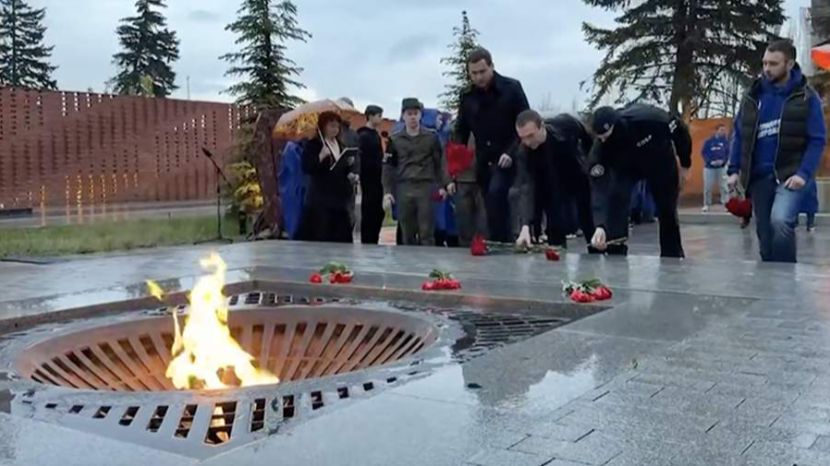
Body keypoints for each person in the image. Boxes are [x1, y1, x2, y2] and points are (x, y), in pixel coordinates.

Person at [727, 40, 826, 263]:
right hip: (759, 177)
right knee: (764, 233)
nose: (767, 69)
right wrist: (733, 169)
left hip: (790, 174)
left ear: (789, 63)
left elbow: (817, 140)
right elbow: (740, 133)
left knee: (781, 221)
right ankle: (770, 281)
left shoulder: (807, 98)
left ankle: (785, 279)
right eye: (764, 63)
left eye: (773, 63)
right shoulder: (752, 96)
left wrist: (803, 174)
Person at [587, 103, 692, 258]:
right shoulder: (600, 150)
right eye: (599, 137)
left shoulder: (651, 119)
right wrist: (600, 225)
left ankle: (672, 253)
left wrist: (685, 164)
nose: (603, 140)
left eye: (606, 135)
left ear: (615, 124)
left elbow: (681, 133)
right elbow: (600, 189)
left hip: (659, 161)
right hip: (626, 168)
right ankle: (616, 246)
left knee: (667, 207)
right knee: (617, 196)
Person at [454, 47, 530, 243]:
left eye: (482, 71)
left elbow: (525, 123)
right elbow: (461, 130)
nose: (479, 77)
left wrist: (512, 151)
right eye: (474, 73)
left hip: (509, 157)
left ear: (492, 67)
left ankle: (515, 238)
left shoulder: (511, 88)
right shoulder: (468, 97)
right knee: (490, 207)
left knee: (502, 196)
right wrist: (456, 159)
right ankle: (499, 246)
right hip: (484, 162)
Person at [514, 110, 595, 250]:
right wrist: (525, 226)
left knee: (586, 217)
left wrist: (591, 164)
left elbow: (589, 141)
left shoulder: (565, 126)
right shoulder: (524, 152)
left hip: (576, 175)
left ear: (542, 127)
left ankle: (595, 249)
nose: (527, 142)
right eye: (523, 138)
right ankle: (558, 256)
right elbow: (526, 186)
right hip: (548, 185)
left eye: (530, 136)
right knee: (555, 223)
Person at [383, 98, 455, 246]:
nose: (413, 117)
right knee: (407, 234)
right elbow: (389, 168)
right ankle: (409, 267)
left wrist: (444, 184)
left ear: (421, 115)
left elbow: (440, 163)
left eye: (416, 113)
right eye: (409, 114)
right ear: (403, 116)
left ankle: (427, 266)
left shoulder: (431, 137)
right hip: (404, 188)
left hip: (425, 187)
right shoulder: (395, 140)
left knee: (427, 233)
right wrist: (387, 191)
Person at [297, 111, 359, 243]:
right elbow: (307, 168)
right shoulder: (314, 145)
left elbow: (341, 167)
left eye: (337, 126)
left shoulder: (340, 144)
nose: (335, 130)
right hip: (321, 198)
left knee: (342, 235)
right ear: (323, 127)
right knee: (322, 234)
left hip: (338, 198)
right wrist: (320, 157)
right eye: (331, 126)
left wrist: (349, 170)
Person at [357, 105, 386, 244]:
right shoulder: (363, 136)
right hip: (369, 178)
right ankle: (368, 239)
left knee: (377, 211)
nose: (380, 118)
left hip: (378, 177)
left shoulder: (376, 134)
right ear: (370, 116)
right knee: (369, 210)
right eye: (378, 115)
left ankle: (374, 238)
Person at [701, 124, 730, 212]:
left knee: (724, 186)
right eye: (721, 130)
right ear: (716, 130)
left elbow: (728, 153)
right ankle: (706, 204)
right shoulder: (709, 141)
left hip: (722, 168)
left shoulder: (726, 142)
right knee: (708, 187)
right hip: (709, 168)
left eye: (724, 130)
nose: (723, 132)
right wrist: (710, 161)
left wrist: (723, 161)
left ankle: (726, 204)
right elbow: (703, 153)